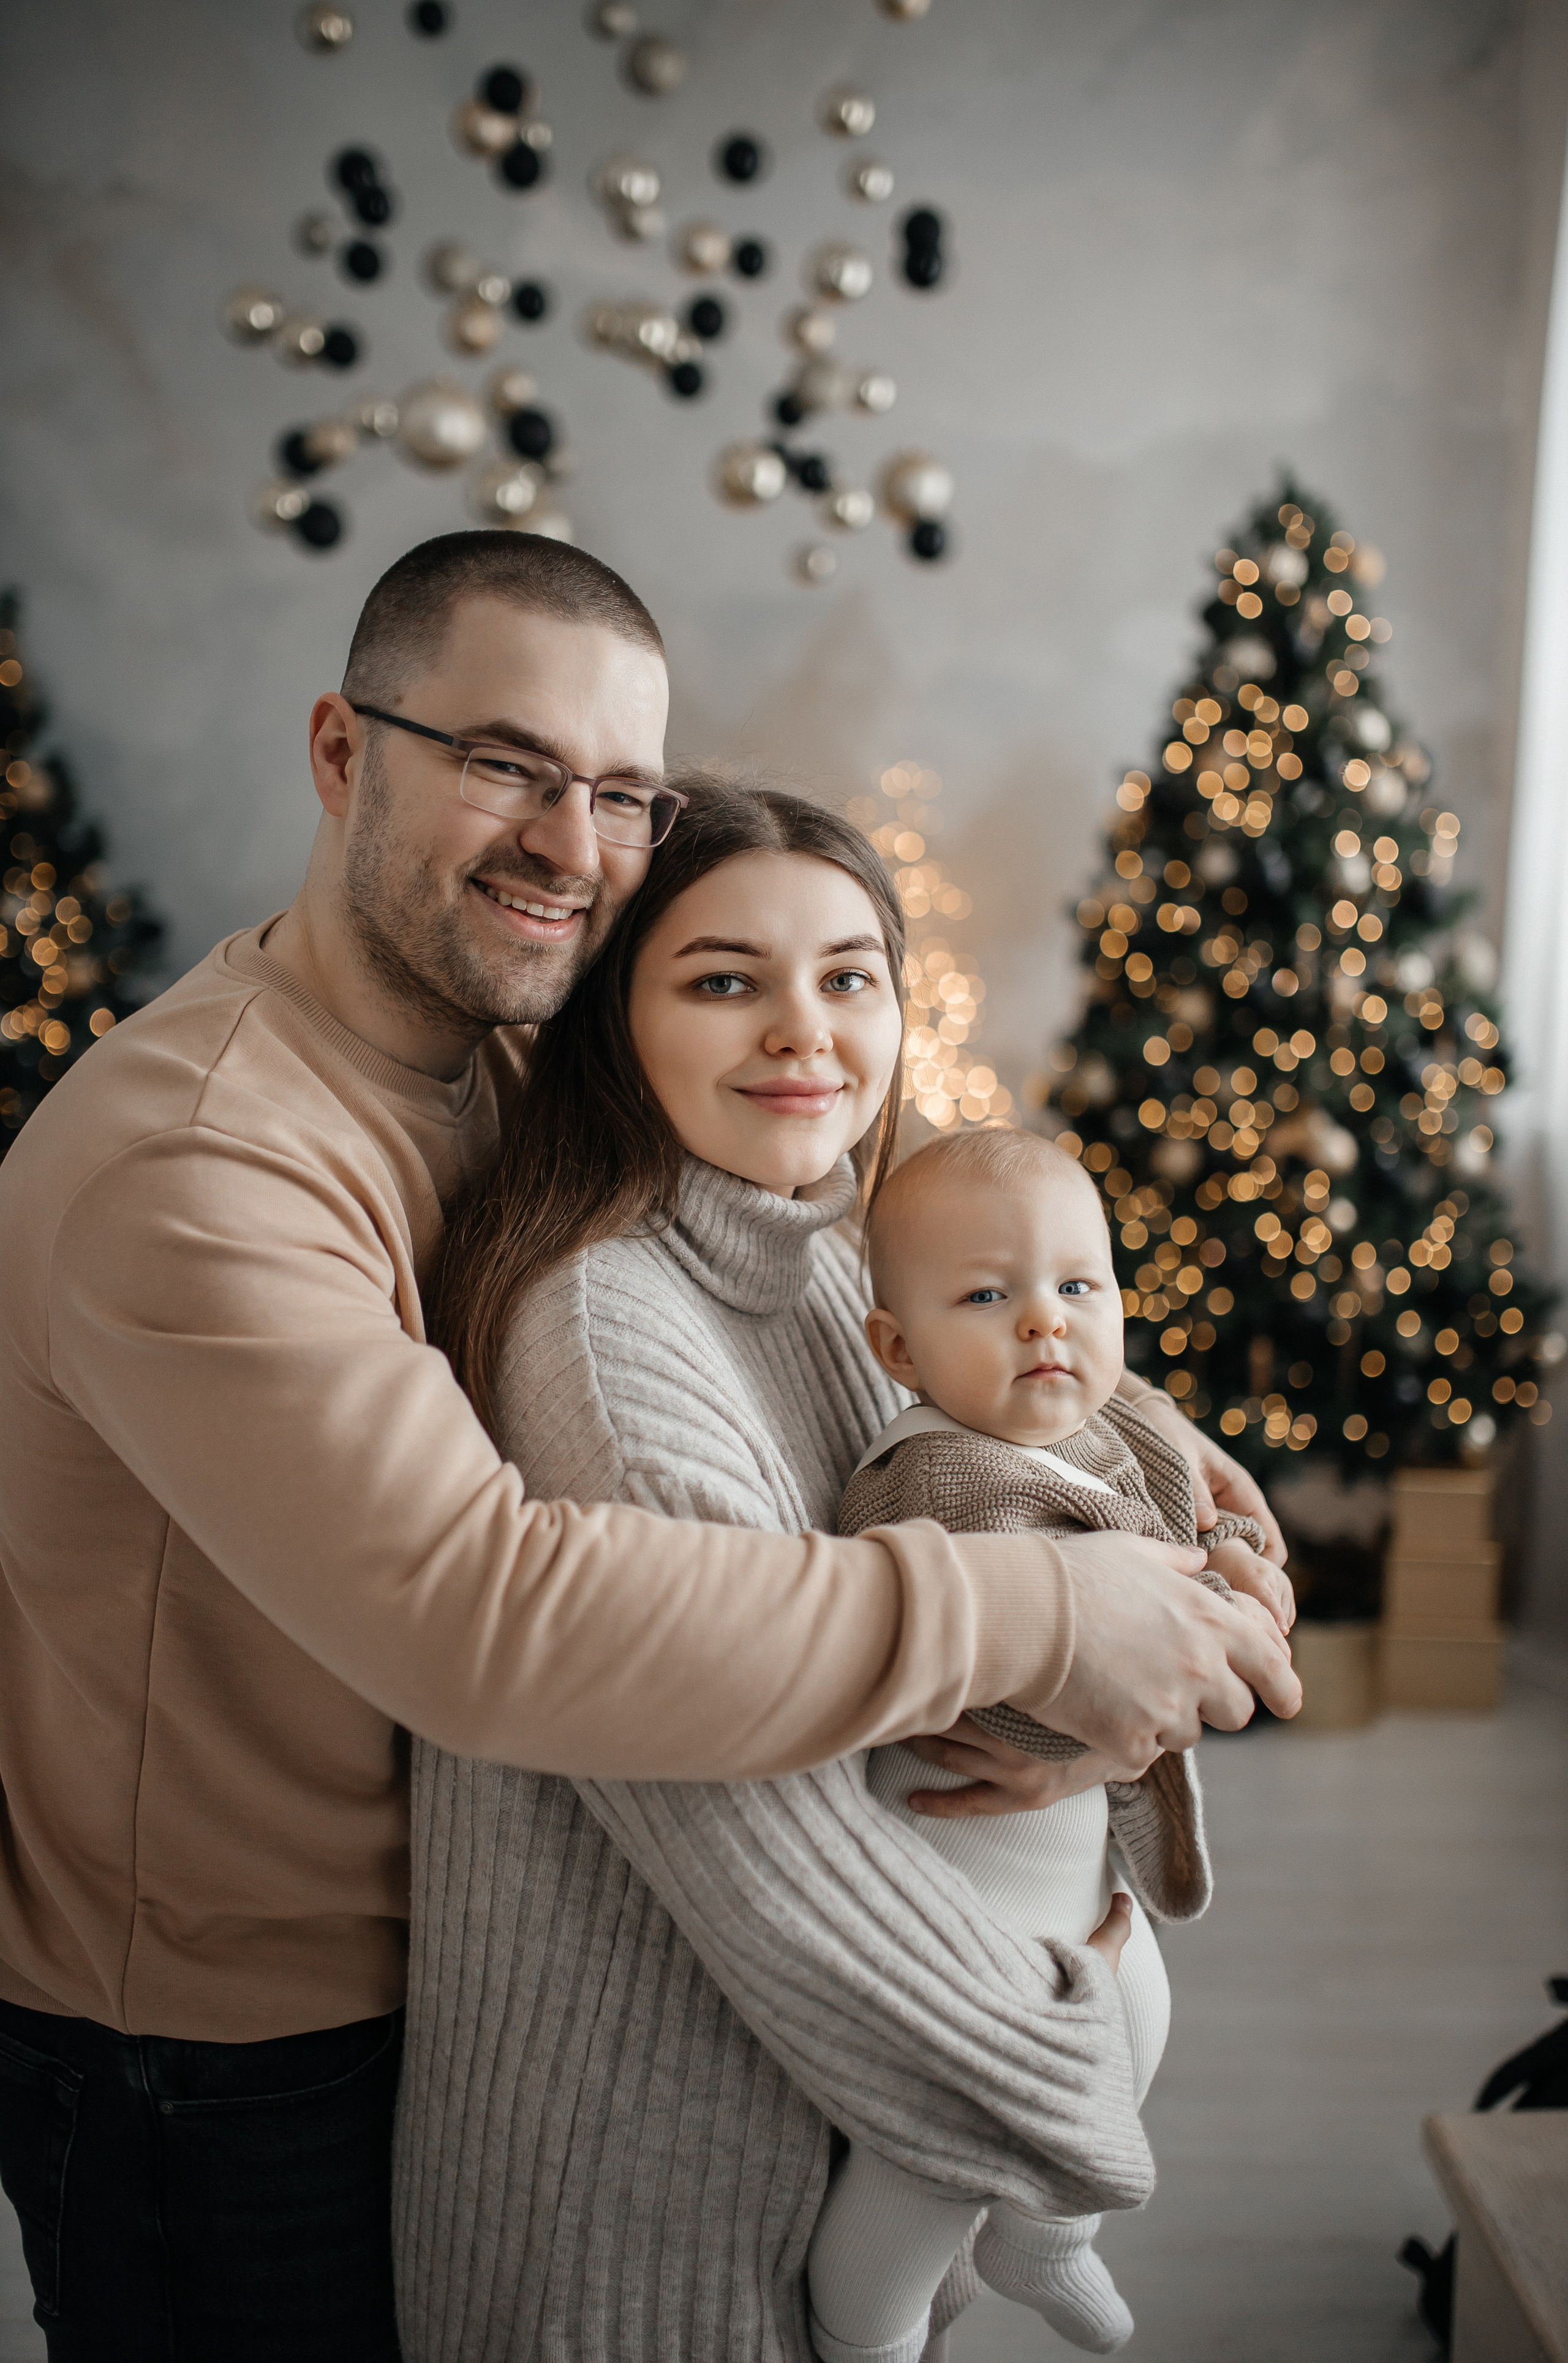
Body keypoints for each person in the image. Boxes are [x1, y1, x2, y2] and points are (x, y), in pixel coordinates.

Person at [0, 532, 1297, 2363]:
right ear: (342, 751)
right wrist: (1036, 1609)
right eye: (506, 762)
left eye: (620, 787)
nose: (570, 838)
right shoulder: (201, 1165)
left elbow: (870, 1316)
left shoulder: (513, 1059)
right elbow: (492, 1614)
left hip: (462, 1976)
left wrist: (1150, 1478)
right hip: (224, 2047)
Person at [397, 776, 1289, 2363]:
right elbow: (765, 1850)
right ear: (617, 1017)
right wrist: (1077, 2033)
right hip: (655, 2219)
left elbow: (1012, 1372)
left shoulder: (815, 1234)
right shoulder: (611, 1337)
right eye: (726, 978)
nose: (805, 1030)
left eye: (851, 975)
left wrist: (1194, 1507)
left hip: (834, 2145)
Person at [808, 1127, 1269, 2361]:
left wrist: (1228, 1576)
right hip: (960, 1919)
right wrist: (1220, 1596)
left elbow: (1191, 1583)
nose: (1043, 1326)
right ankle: (865, 2331)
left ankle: (1045, 2240)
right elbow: (1079, 1665)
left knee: (1136, 2019)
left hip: (1061, 1878)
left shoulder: (1090, 1431)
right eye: (985, 1296)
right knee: (946, 2150)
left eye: (1077, 1287)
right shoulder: (950, 1478)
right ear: (899, 1351)